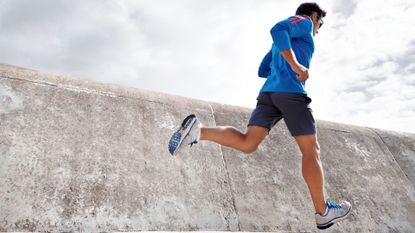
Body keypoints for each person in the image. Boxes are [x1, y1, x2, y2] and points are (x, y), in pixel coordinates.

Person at [168, 2, 352, 230]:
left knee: (248, 142)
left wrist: (281, 65)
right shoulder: (303, 23)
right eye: (320, 24)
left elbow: (262, 69)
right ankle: (323, 211)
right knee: (311, 150)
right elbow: (277, 29)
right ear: (314, 16)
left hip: (269, 94)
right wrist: (295, 66)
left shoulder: (282, 45)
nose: (318, 29)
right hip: (291, 92)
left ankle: (198, 131)